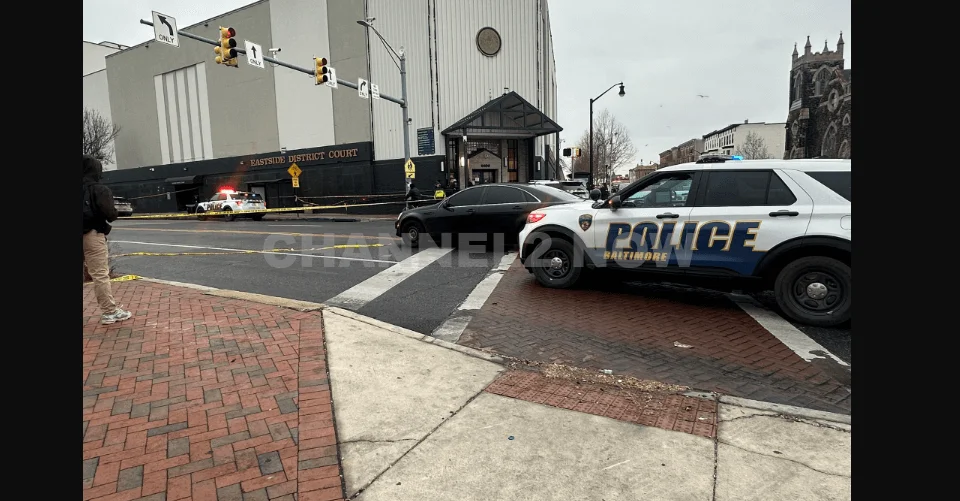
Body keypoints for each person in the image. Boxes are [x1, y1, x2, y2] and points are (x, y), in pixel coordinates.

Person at [83, 155, 133, 325]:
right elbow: (110, 214)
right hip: (92, 234)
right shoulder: (99, 189)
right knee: (99, 275)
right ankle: (109, 312)